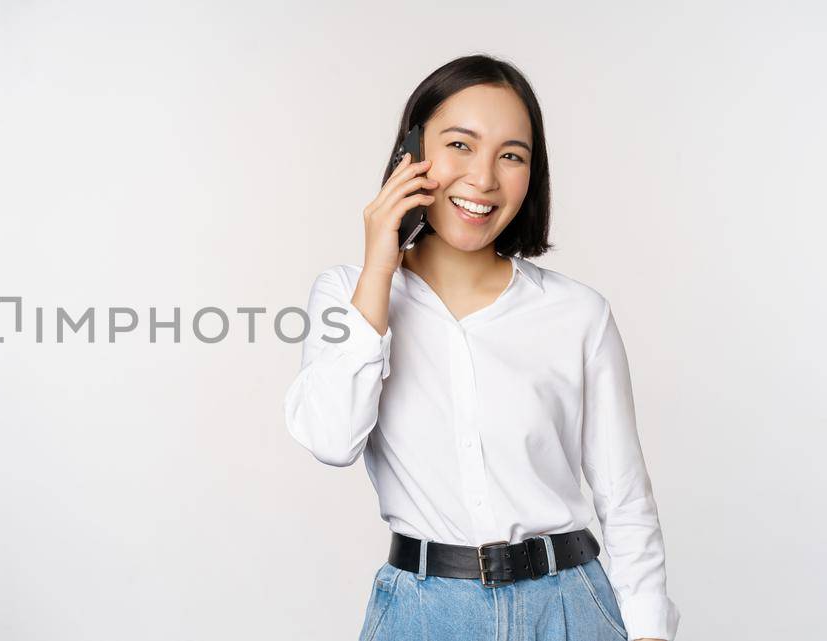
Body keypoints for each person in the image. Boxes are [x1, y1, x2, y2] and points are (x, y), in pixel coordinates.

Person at [284, 55, 679, 641]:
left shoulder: (578, 315)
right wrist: (379, 266)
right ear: (411, 154)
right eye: (460, 146)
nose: (485, 178)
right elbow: (330, 439)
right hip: (423, 613)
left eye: (511, 155)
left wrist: (648, 632)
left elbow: (624, 498)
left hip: (570, 606)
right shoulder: (349, 294)